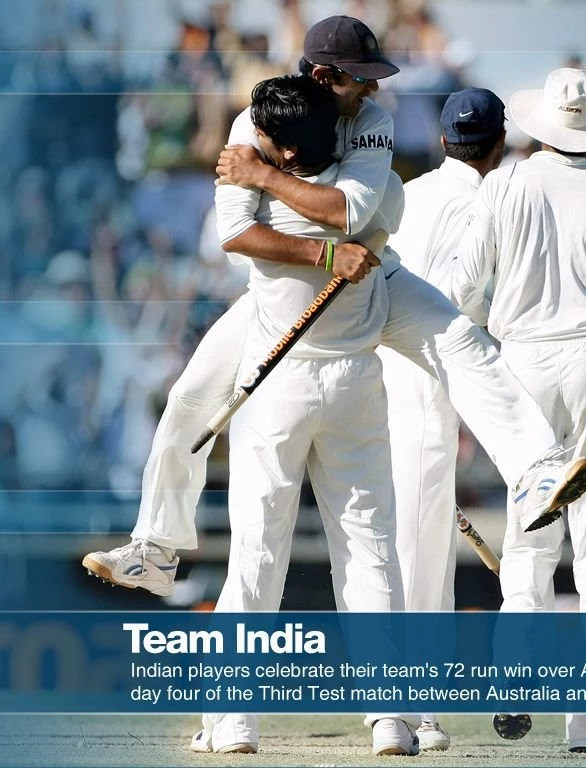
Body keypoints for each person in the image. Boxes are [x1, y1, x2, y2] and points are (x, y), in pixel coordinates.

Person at [83, 16, 586, 599]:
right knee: (188, 397)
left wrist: (263, 176)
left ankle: (536, 467)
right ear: (325, 76)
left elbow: (350, 213)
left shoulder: (371, 119)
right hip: (288, 293)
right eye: (361, 78)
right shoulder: (257, 120)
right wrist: (326, 251)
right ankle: (155, 547)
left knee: (459, 340)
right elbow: (235, 234)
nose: (373, 88)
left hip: (374, 274)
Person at [183, 74, 415, 756]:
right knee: (369, 550)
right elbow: (348, 204)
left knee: (257, 548)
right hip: (354, 383)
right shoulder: (371, 193)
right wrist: (330, 245)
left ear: (283, 153)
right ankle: (391, 719)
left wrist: (258, 176)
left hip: (276, 383)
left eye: (262, 137)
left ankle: (233, 720)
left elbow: (231, 235)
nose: (249, 140)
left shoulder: (265, 199)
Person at [453, 68, 586, 754]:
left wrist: (496, 326)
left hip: (520, 362)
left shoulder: (503, 185)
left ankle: (516, 676)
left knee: (528, 536)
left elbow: (462, 288)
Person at [376, 87, 509, 752]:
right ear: (499, 143)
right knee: (419, 552)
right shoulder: (495, 201)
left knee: (397, 547)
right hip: (432, 376)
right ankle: (405, 710)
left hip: (383, 375)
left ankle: (405, 707)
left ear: (443, 139)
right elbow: (471, 302)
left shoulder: (409, 192)